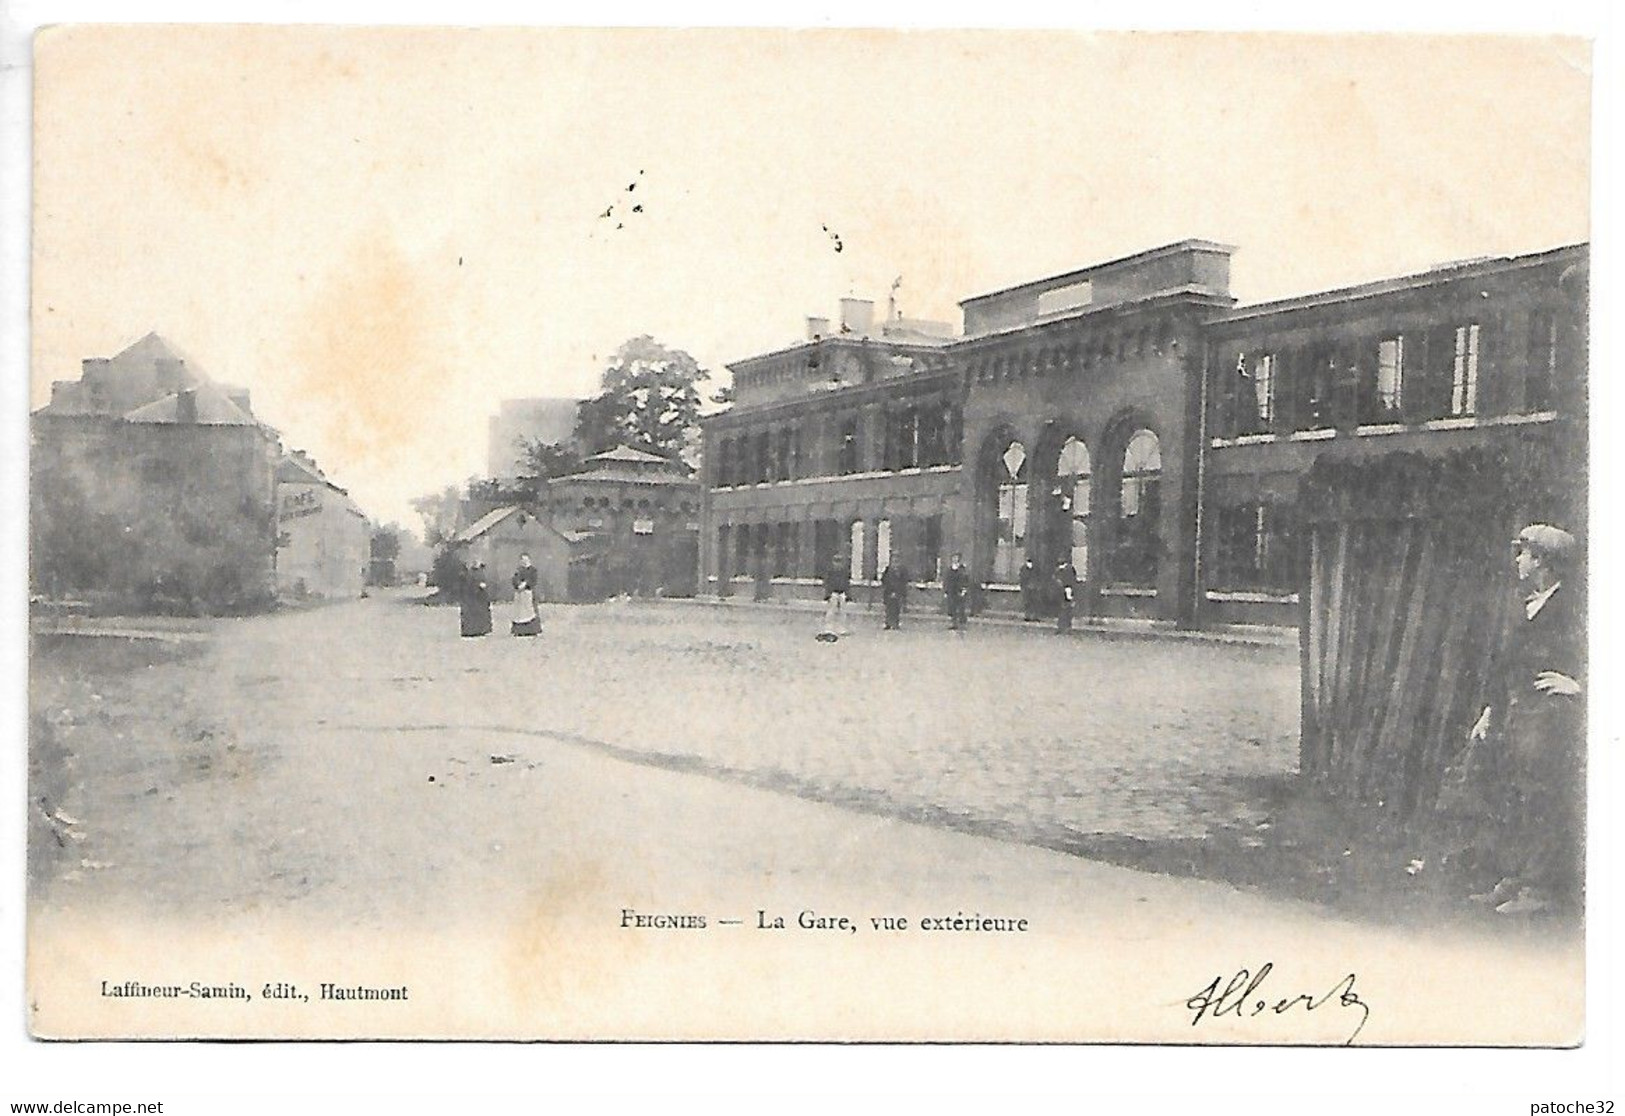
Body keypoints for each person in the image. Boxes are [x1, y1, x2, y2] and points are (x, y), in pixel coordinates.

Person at [1462, 523, 1584, 915]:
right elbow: (1507, 667)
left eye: (1524, 554)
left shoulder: (1572, 609)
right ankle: (1515, 878)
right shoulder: (1529, 605)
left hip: (1549, 720)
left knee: (1542, 797)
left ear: (1543, 563)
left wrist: (1579, 686)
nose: (1518, 561)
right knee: (1516, 795)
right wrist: (1489, 712)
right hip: (1517, 716)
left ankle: (1540, 888)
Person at [818, 553, 851, 641]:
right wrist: (827, 594)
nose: (838, 564)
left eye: (839, 561)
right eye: (836, 561)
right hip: (833, 592)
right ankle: (828, 628)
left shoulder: (844, 572)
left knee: (842, 612)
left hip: (842, 592)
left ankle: (841, 628)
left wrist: (847, 594)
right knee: (831, 611)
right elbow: (827, 583)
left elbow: (847, 583)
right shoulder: (830, 571)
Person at [459, 560, 493, 638]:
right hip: (470, 597)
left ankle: (482, 630)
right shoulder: (467, 573)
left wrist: (484, 586)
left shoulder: (482, 572)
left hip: (481, 597)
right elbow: (466, 584)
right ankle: (471, 631)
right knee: (470, 613)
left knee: (482, 613)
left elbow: (487, 582)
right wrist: (477, 585)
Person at [510, 553, 541, 637]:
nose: (524, 561)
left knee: (530, 612)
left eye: (525, 560)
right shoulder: (518, 570)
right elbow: (514, 579)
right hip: (520, 595)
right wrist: (518, 585)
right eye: (522, 560)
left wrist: (526, 584)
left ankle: (531, 630)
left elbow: (533, 580)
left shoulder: (533, 570)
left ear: (529, 560)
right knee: (519, 613)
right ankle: (519, 630)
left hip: (529, 593)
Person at [880, 557, 911, 631]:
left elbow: (904, 581)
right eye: (893, 561)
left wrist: (898, 591)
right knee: (888, 609)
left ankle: (895, 623)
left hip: (898, 592)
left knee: (896, 609)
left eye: (896, 561)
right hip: (888, 592)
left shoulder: (902, 570)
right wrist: (889, 589)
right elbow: (884, 579)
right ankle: (888, 623)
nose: (895, 563)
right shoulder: (888, 570)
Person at [943, 553, 970, 631]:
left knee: (961, 608)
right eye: (953, 557)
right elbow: (946, 581)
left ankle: (962, 623)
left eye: (956, 557)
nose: (955, 559)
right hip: (951, 591)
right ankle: (954, 623)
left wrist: (964, 589)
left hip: (959, 591)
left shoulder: (962, 570)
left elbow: (965, 580)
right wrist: (946, 591)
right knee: (952, 608)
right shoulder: (949, 569)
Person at [1053, 556, 1079, 634]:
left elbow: (1072, 581)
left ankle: (1067, 627)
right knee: (1062, 609)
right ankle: (1062, 627)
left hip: (1068, 590)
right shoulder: (1058, 570)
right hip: (1061, 592)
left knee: (1067, 609)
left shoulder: (1069, 569)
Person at [1018, 557, 1042, 621]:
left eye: (1030, 562)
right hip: (1026, 588)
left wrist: (1037, 586)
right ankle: (1027, 616)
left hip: (1034, 588)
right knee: (1027, 603)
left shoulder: (1036, 569)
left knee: (1034, 602)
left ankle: (1034, 616)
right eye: (1028, 562)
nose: (1029, 563)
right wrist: (1023, 587)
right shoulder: (1023, 569)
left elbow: (1039, 578)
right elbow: (1022, 578)